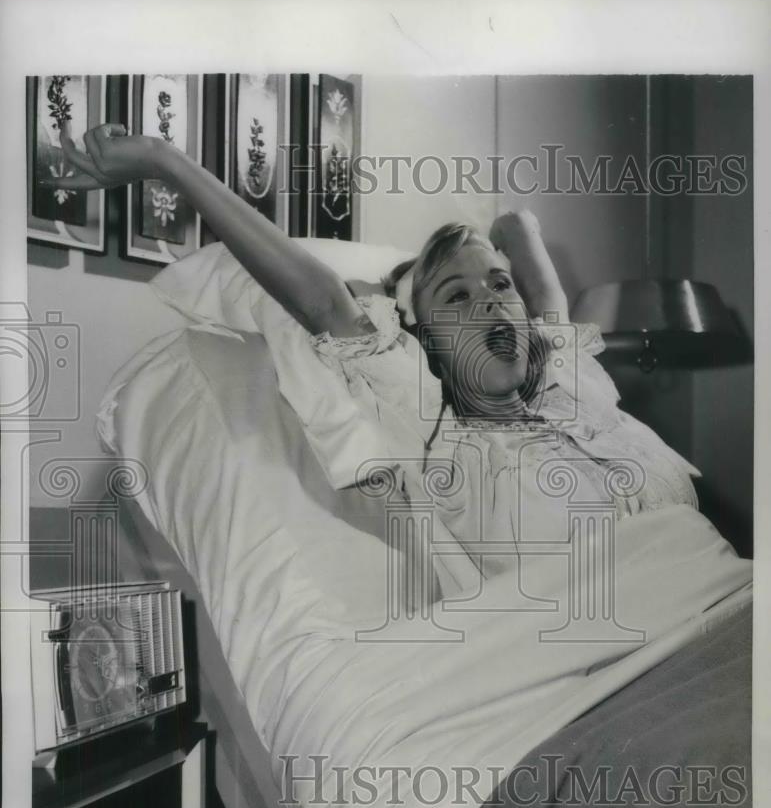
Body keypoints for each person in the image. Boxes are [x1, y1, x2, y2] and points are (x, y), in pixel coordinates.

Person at [46, 121, 702, 588]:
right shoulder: (431, 429)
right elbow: (322, 303)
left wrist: (491, 241)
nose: (491, 302)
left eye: (498, 287)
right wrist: (167, 161)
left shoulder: (567, 382)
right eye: (455, 295)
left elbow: (526, 251)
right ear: (423, 344)